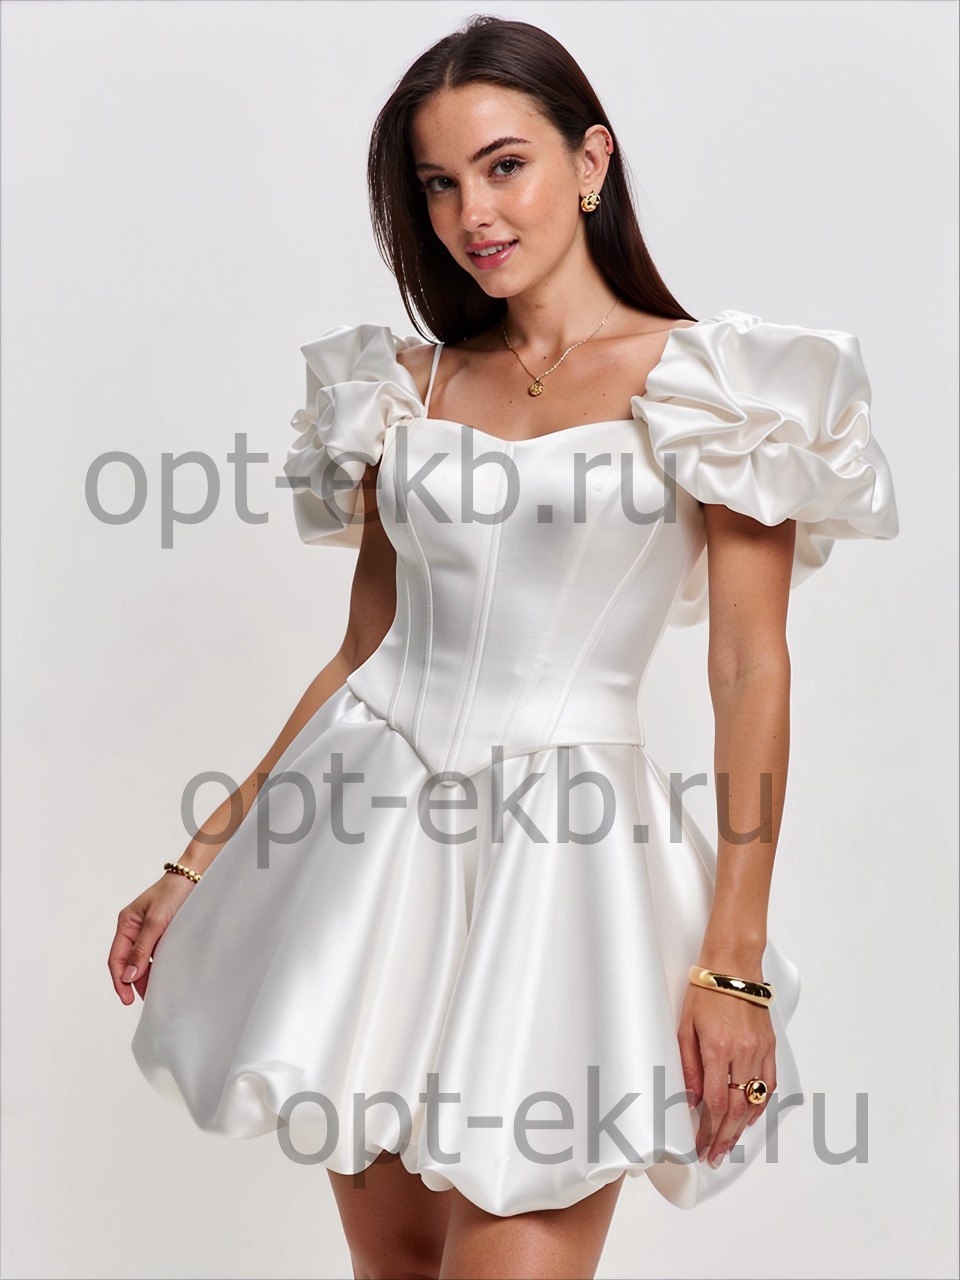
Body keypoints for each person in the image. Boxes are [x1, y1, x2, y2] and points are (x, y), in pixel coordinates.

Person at [109, 15, 900, 1280]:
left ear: (590, 162)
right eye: (438, 183)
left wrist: (735, 965)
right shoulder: (402, 389)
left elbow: (751, 670)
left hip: (567, 875)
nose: (471, 212)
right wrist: (195, 859)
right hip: (369, 860)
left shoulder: (723, 390)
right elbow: (363, 652)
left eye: (504, 165)